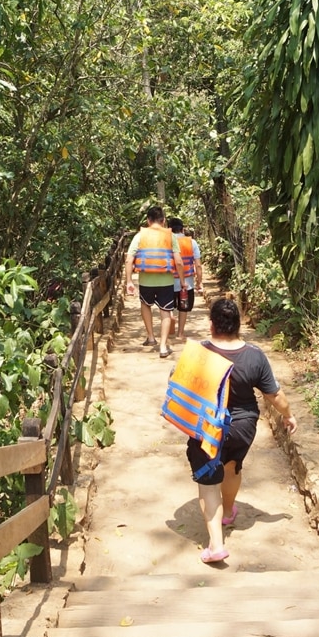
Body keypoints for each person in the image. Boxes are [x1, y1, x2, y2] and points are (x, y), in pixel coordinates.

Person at [189, 297, 297, 564]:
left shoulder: (199, 353)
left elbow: (179, 384)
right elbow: (275, 395)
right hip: (243, 426)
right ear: (238, 324)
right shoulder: (254, 356)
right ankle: (228, 512)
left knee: (209, 483)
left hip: (206, 427)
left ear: (211, 325)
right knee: (232, 467)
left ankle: (216, 545)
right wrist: (288, 416)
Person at [123, 206, 186, 358]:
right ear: (164, 221)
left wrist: (129, 281)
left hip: (146, 281)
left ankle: (151, 337)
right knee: (165, 312)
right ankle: (163, 347)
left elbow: (129, 260)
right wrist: (182, 281)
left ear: (148, 221)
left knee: (145, 305)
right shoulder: (170, 236)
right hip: (166, 281)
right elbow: (178, 262)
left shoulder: (139, 236)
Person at [167, 217, 203, 340]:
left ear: (169, 230)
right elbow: (198, 265)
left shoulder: (166, 243)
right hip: (187, 282)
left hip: (168, 281)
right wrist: (199, 282)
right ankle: (180, 333)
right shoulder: (192, 242)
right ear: (183, 229)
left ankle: (170, 317)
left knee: (167, 306)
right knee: (183, 307)